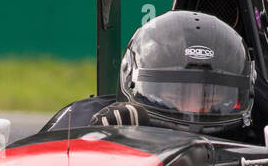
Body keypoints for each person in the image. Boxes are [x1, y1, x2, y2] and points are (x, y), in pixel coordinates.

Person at [90, 10, 255, 138]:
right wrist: (103, 141)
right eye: (174, 96)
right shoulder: (96, 122)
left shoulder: (263, 138)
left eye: (211, 100)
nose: (192, 110)